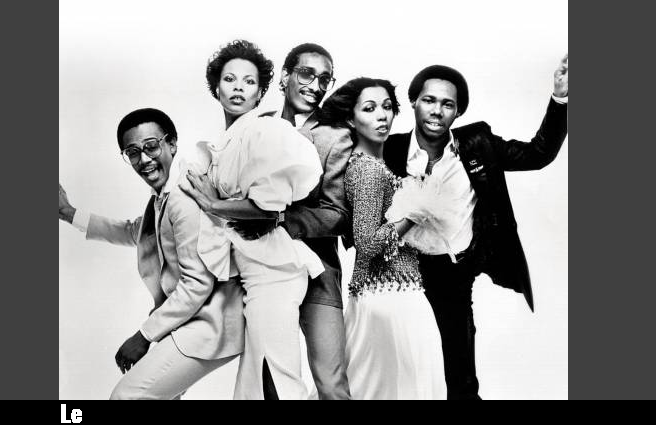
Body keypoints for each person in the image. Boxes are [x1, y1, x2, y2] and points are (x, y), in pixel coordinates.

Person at [382, 55, 569, 399]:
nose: (437, 111)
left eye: (447, 104)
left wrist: (560, 98)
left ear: (458, 112)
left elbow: (538, 154)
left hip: (454, 271)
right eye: (428, 100)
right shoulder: (389, 149)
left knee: (460, 376)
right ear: (413, 102)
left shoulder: (478, 143)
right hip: (400, 272)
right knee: (402, 369)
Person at [58, 108, 245, 399]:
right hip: (187, 321)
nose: (144, 159)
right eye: (133, 152)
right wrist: (69, 213)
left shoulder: (183, 198)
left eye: (151, 146)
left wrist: (143, 336)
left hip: (211, 327)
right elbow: (136, 231)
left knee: (126, 397)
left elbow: (197, 284)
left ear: (172, 144)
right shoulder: (163, 195)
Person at [179, 39, 324, 400]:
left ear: (260, 93)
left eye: (249, 82)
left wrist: (214, 204)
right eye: (230, 79)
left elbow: (268, 209)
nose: (239, 88)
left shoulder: (264, 131)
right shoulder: (228, 141)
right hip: (251, 275)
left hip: (274, 274)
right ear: (216, 88)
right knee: (258, 381)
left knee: (275, 377)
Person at [230, 42, 353, 400]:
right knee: (266, 374)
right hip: (262, 271)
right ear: (285, 77)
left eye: (325, 79)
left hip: (318, 274)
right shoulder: (256, 125)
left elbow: (338, 215)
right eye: (307, 74)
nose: (316, 86)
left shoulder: (335, 136)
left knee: (330, 382)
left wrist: (278, 217)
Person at [318, 77, 446, 400]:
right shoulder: (368, 170)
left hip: (386, 295)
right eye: (369, 108)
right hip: (389, 299)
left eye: (387, 107)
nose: (381, 116)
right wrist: (414, 213)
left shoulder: (373, 166)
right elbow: (367, 242)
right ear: (351, 119)